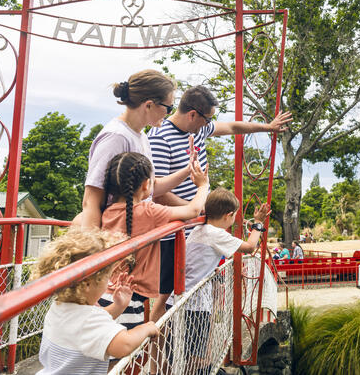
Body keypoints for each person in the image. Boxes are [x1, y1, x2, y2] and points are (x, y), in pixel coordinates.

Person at [147, 85, 292, 321]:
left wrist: (268, 127)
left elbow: (233, 127)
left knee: (199, 286)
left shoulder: (198, 130)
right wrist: (196, 209)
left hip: (199, 227)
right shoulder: (160, 138)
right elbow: (158, 192)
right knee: (167, 297)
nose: (209, 124)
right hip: (176, 232)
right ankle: (156, 351)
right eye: (208, 119)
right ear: (193, 114)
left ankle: (190, 346)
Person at [97, 152, 209, 336]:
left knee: (109, 357)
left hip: (103, 293)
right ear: (146, 185)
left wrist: (188, 168)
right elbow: (193, 210)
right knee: (126, 361)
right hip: (127, 299)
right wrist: (203, 186)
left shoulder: (107, 211)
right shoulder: (148, 211)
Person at [165, 188, 270, 374]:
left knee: (179, 354)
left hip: (176, 301)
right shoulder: (216, 234)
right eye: (234, 217)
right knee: (198, 358)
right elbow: (249, 247)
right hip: (194, 306)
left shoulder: (199, 228)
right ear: (228, 215)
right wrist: (259, 224)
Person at [33, 229, 159, 375]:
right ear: (87, 284)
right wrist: (146, 328)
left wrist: (118, 306)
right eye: (107, 277)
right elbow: (124, 345)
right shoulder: (89, 320)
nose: (109, 283)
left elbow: (88, 323)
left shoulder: (59, 306)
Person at [80, 70, 194, 229]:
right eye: (169, 108)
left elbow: (150, 187)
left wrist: (189, 169)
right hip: (115, 238)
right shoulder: (116, 137)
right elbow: (91, 200)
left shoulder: (141, 136)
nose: (170, 113)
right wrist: (94, 248)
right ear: (149, 105)